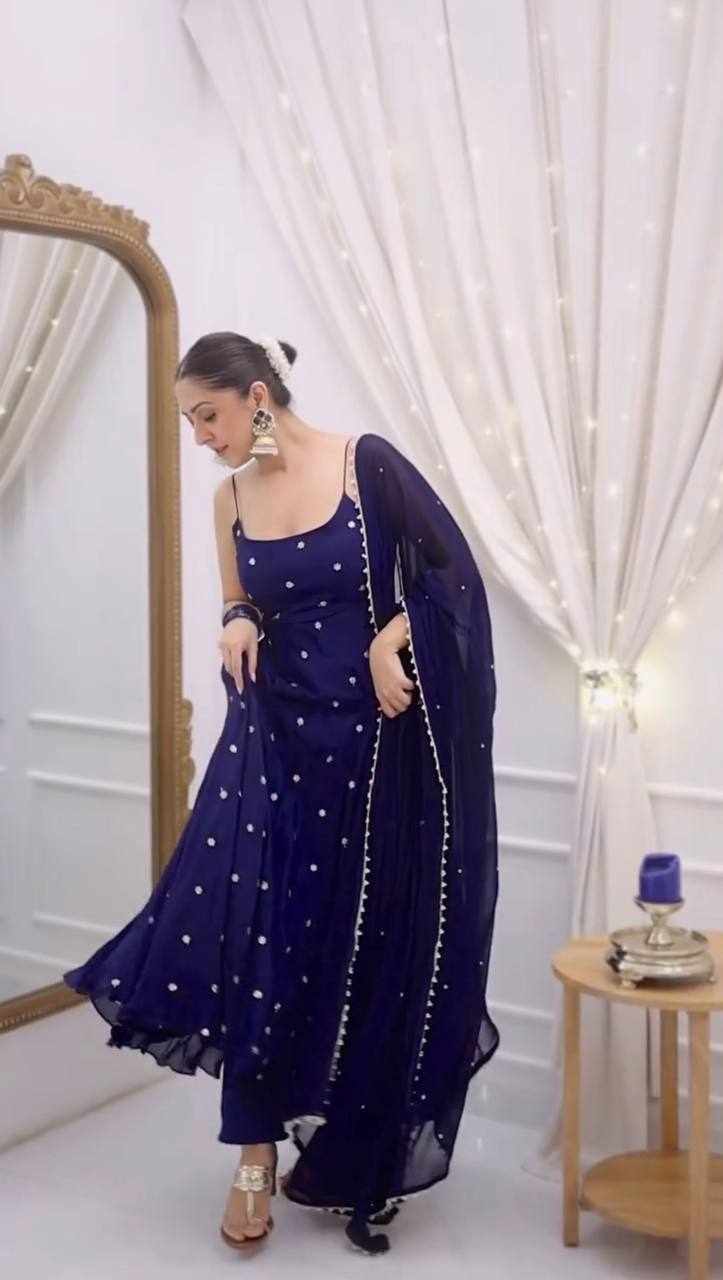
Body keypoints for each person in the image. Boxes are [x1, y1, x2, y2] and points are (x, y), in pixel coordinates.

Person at [63, 331, 500, 1255]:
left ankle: (359, 1154)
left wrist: (390, 638)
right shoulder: (227, 498)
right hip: (272, 742)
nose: (200, 437)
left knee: (370, 944)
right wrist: (234, 620)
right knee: (257, 938)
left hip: (376, 753)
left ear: (256, 397)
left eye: (207, 415)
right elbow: (243, 598)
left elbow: (451, 577)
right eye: (189, 423)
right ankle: (253, 1153)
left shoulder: (363, 466)